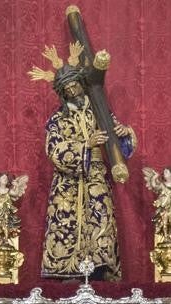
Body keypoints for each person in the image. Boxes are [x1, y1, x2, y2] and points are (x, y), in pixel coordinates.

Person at [41, 67, 136, 280]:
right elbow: (54, 149)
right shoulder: (57, 119)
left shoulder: (99, 110)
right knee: (66, 220)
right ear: (62, 93)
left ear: (81, 84)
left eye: (74, 85)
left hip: (95, 174)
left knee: (102, 217)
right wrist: (86, 145)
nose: (72, 90)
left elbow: (116, 141)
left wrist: (123, 133)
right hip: (67, 182)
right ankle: (67, 272)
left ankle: (102, 270)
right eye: (67, 89)